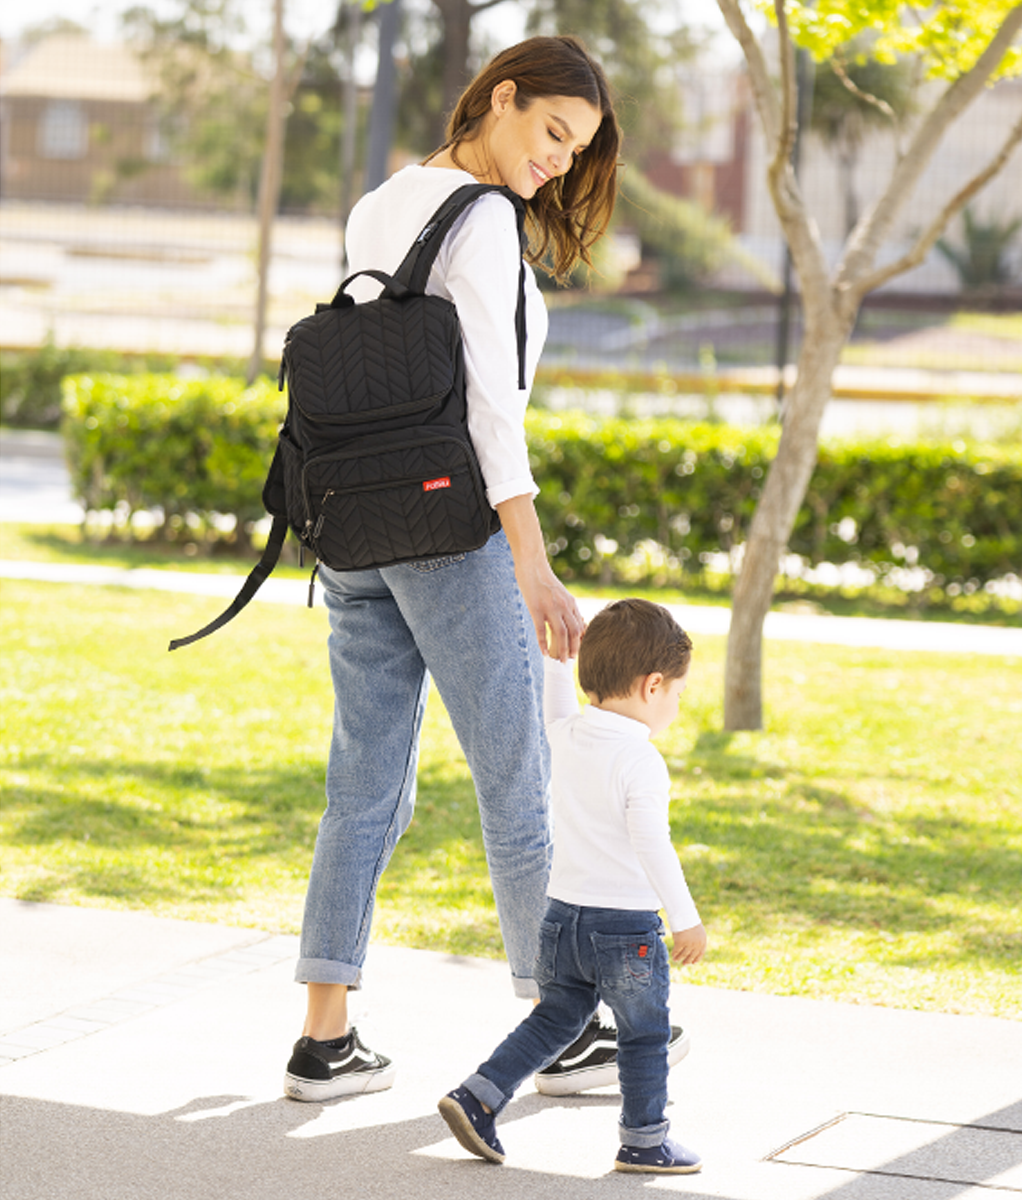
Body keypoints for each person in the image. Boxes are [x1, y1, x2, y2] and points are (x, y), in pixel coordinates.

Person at [283, 35, 624, 1103]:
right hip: (452, 534)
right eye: (552, 134)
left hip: (353, 529)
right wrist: (534, 565)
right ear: (502, 97)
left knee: (363, 786)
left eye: (575, 153)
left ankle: (323, 1041)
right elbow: (488, 410)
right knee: (519, 779)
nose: (558, 164)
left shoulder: (380, 200)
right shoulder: (484, 221)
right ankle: (559, 1024)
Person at [438, 599, 707, 1175]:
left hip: (561, 920)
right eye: (679, 694)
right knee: (644, 1033)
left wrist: (560, 657)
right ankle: (644, 1141)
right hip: (625, 930)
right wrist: (685, 917)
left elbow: (555, 699)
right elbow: (651, 844)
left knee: (555, 1018)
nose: (678, 707)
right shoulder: (640, 761)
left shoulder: (567, 735)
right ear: (653, 685)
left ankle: (479, 1096)